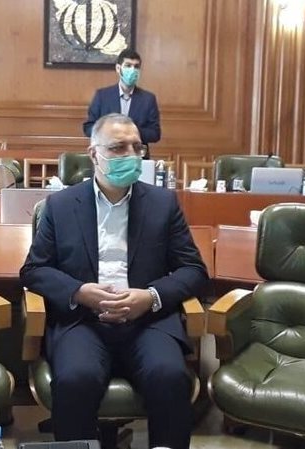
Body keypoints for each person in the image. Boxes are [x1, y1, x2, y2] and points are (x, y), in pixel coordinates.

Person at [21, 113, 208, 449]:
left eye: (137, 147)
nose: (131, 155)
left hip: (148, 321)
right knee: (75, 379)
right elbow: (34, 270)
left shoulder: (163, 204)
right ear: (94, 154)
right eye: (119, 147)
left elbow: (193, 270)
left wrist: (150, 297)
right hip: (84, 321)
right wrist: (79, 292)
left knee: (169, 377)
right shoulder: (60, 205)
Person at [83, 49, 161, 159]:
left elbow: (155, 134)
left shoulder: (148, 99)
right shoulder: (102, 96)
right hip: (109, 157)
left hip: (137, 157)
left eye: (136, 67)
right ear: (118, 68)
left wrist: (129, 132)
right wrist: (110, 132)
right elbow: (88, 128)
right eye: (128, 65)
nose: (132, 70)